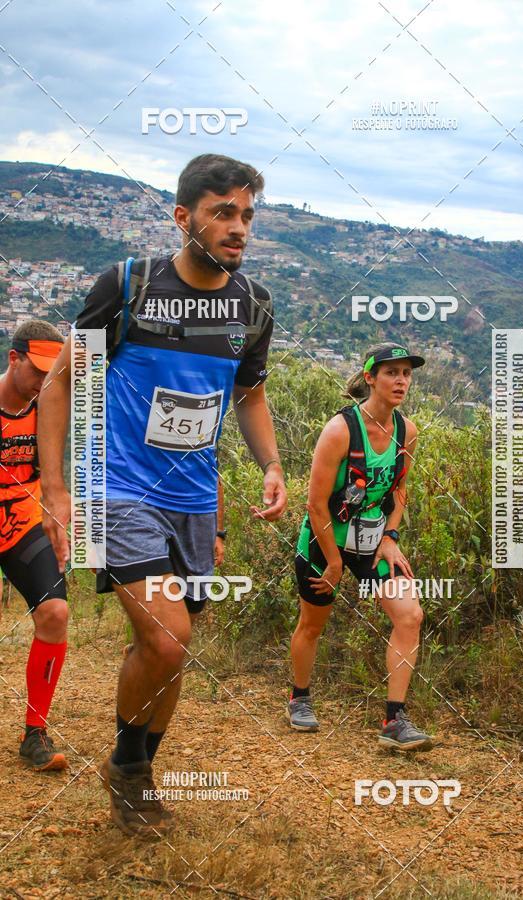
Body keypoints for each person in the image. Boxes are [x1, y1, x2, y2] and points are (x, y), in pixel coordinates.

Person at [38, 154, 287, 837]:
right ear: (184, 218)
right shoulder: (128, 285)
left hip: (194, 502)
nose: (238, 228)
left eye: (247, 215)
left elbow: (251, 394)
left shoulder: (254, 305)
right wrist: (57, 489)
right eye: (223, 213)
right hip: (117, 489)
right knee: (169, 638)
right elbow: (61, 383)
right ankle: (125, 767)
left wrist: (270, 464)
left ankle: (138, 772)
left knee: (172, 647)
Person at [289, 343, 432, 751]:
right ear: (370, 378)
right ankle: (299, 698)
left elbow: (400, 489)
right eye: (391, 373)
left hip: (373, 543)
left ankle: (394, 719)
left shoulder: (407, 431)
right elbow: (316, 505)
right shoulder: (340, 430)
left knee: (410, 615)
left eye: (406, 373)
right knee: (313, 625)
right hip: (323, 542)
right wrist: (333, 563)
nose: (401, 380)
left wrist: (390, 537)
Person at [0, 321, 68, 770]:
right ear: (14, 358)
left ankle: (35, 733)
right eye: (38, 370)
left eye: (53, 373)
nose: (45, 382)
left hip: (24, 521)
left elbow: (56, 473)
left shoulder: (48, 407)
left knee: (55, 612)